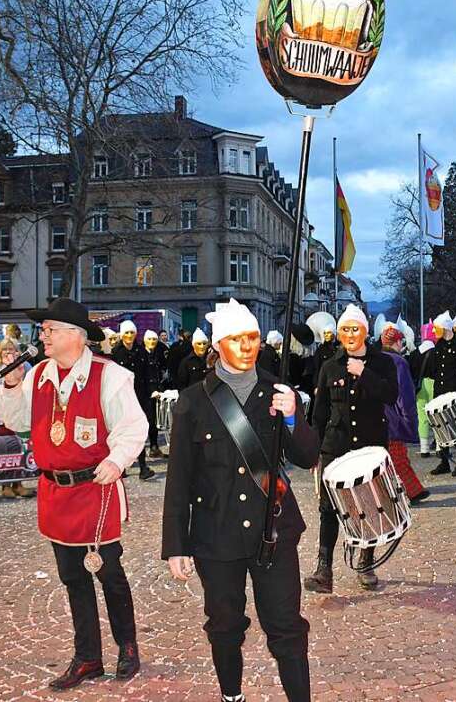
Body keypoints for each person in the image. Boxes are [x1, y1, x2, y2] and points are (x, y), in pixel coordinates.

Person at [162, 299, 318, 702]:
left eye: (252, 337)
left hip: (274, 528)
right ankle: (232, 696)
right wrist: (176, 545)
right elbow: (178, 477)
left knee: (287, 626)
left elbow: (308, 456)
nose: (247, 346)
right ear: (218, 345)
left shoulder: (278, 391)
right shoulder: (194, 401)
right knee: (224, 625)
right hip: (217, 534)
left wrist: (292, 417)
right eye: (236, 339)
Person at [0, 298, 146, 690]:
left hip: (95, 489)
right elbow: (15, 420)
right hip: (55, 492)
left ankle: (127, 646)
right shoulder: (40, 374)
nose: (42, 336)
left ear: (75, 337)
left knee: (108, 573)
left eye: (50, 330)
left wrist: (117, 461)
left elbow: (134, 427)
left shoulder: (109, 375)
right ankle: (87, 657)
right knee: (72, 578)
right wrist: (12, 387)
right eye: (43, 330)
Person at [306, 304, 398, 594]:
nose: (349, 334)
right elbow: (318, 414)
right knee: (328, 507)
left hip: (370, 445)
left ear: (365, 331)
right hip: (336, 444)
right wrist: (313, 451)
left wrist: (364, 373)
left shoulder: (382, 363)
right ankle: (324, 570)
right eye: (345, 329)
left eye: (354, 329)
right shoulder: (329, 365)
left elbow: (391, 396)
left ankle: (366, 561)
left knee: (367, 505)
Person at [423, 311, 456, 476]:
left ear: (446, 327)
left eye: (437, 328)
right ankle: (444, 461)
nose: (434, 331)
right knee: (441, 426)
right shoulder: (438, 345)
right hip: (440, 390)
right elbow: (434, 369)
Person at [380, 326, 429, 504]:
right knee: (398, 456)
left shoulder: (375, 359)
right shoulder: (398, 362)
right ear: (398, 342)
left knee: (388, 457)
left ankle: (410, 490)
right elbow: (405, 396)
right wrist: (409, 419)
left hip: (377, 416)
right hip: (393, 416)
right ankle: (411, 491)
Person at [0, 340, 37, 500]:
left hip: (21, 410)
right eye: (5, 349)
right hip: (3, 410)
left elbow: (30, 384)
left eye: (11, 349)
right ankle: (5, 485)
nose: (8, 352)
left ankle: (18, 483)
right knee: (6, 449)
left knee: (22, 449)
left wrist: (19, 386)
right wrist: (10, 385)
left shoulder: (26, 365)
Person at [112, 321, 155, 481]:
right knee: (121, 432)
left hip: (139, 395)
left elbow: (148, 373)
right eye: (127, 333)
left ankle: (143, 466)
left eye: (132, 333)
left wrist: (152, 391)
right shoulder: (116, 352)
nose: (129, 336)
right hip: (121, 396)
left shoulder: (141, 351)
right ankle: (121, 466)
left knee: (139, 431)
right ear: (122, 335)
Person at [140, 330, 169, 459]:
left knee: (155, 421)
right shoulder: (140, 354)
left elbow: (162, 369)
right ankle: (140, 450)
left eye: (154, 340)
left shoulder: (158, 353)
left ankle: (154, 446)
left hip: (157, 390)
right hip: (144, 392)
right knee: (145, 421)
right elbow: (139, 376)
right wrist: (149, 391)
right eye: (149, 339)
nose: (152, 342)